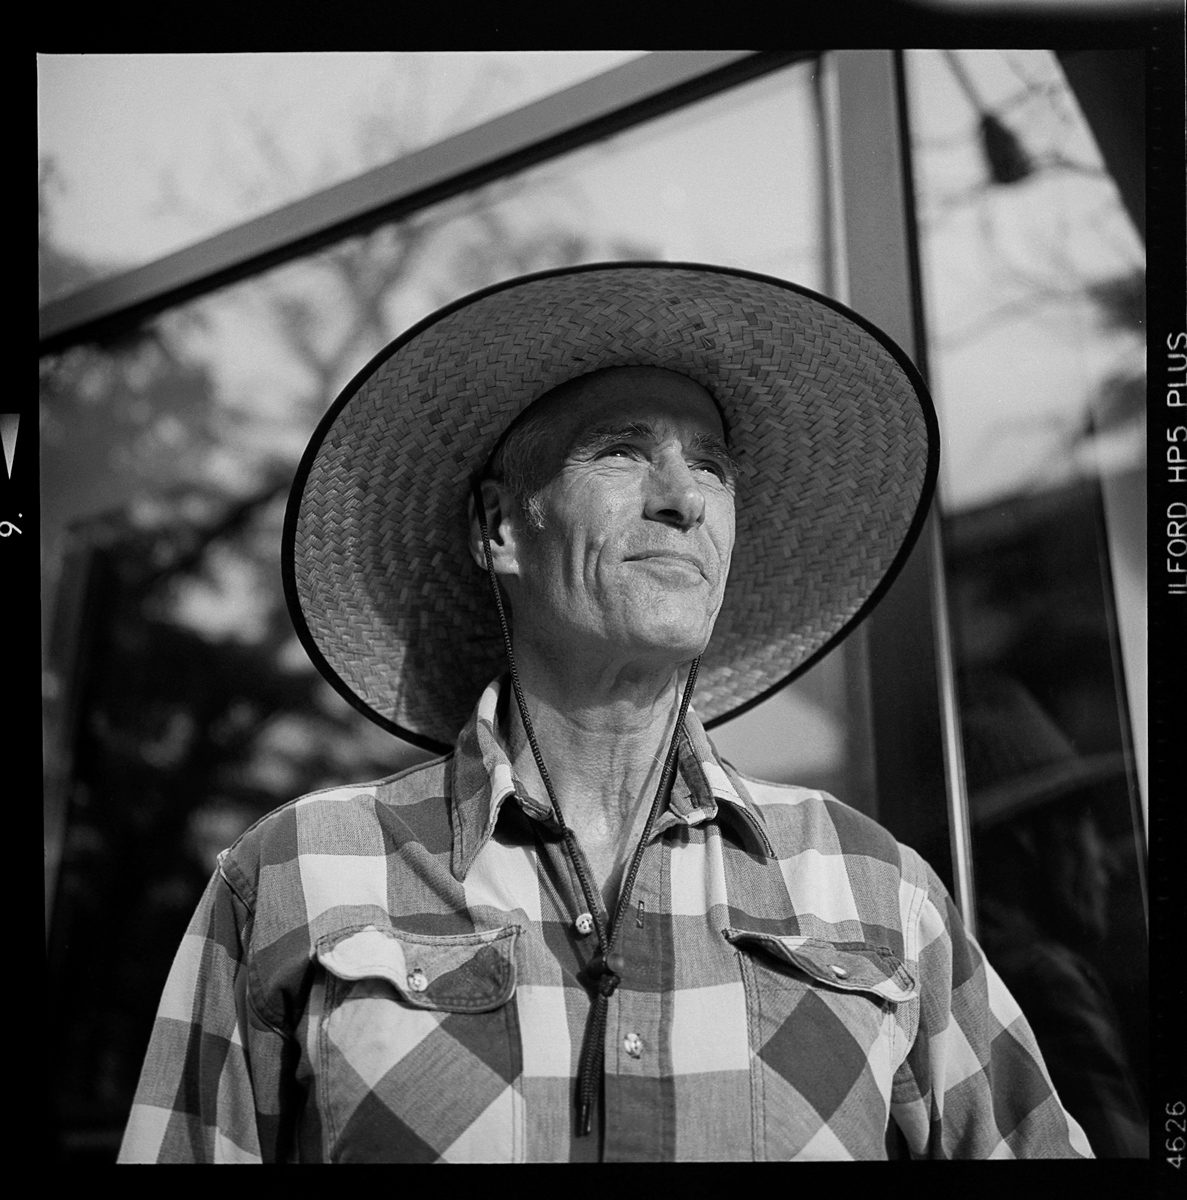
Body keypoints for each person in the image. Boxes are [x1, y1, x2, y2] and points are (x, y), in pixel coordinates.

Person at [117, 261, 1092, 1163]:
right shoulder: (293, 875)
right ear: (499, 527)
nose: (683, 499)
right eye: (621, 451)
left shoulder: (876, 892)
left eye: (711, 466)